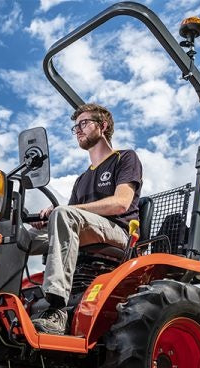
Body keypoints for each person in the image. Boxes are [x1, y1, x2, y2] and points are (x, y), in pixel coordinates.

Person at [29, 103, 143, 334]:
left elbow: (121, 203)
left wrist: (63, 212)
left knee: (64, 214)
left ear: (103, 126)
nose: (78, 130)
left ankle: (57, 308)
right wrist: (48, 216)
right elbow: (70, 215)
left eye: (84, 123)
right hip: (82, 228)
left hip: (118, 232)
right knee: (19, 237)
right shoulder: (82, 178)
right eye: (75, 126)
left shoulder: (125, 158)